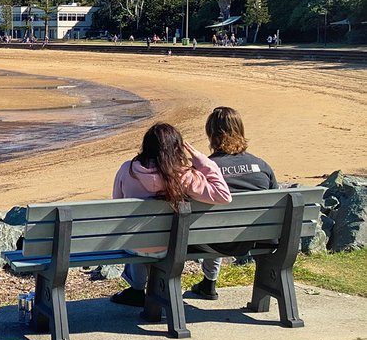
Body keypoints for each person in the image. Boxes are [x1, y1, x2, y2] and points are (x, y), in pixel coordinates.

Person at [110, 123, 231, 307]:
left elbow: (117, 210)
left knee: (137, 234)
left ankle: (136, 289)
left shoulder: (127, 170)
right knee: (158, 237)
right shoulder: (183, 176)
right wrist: (202, 160)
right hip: (172, 247)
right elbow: (223, 195)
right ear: (176, 149)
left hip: (134, 245)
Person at [189, 107, 278, 300]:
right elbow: (276, 204)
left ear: (211, 134)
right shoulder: (261, 166)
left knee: (212, 222)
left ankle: (209, 282)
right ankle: (208, 283)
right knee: (219, 222)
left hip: (212, 239)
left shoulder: (205, 168)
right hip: (256, 237)